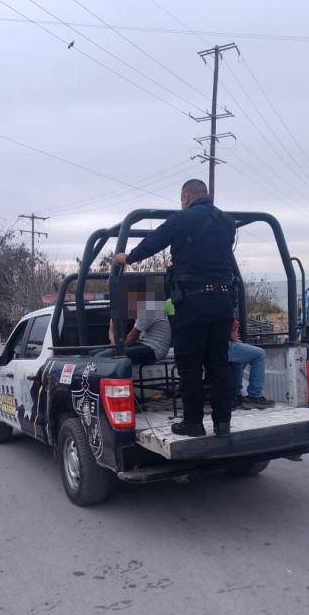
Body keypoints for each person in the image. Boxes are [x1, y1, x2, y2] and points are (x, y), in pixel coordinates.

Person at [114, 179, 236, 437]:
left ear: (185, 197)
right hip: (224, 302)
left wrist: (127, 258)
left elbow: (155, 240)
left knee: (190, 364)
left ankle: (193, 423)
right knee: (218, 364)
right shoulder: (226, 222)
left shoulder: (184, 218)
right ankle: (223, 422)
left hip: (193, 302)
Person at [93, 291, 171, 364]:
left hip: (154, 349)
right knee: (93, 352)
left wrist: (116, 348)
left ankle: (92, 376)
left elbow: (132, 337)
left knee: (107, 354)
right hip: (142, 344)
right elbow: (113, 327)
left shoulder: (150, 307)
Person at [228, 320, 275, 408]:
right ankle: (255, 395)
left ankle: (236, 395)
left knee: (240, 357)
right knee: (259, 353)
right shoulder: (222, 307)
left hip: (204, 346)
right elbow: (231, 322)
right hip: (220, 346)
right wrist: (233, 329)